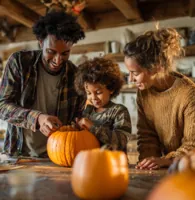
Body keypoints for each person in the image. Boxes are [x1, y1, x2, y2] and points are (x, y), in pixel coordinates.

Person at [0, 11, 85, 157]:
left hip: (58, 156)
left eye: (65, 53)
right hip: (19, 155)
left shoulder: (75, 75)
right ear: (40, 42)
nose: (57, 60)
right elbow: (2, 106)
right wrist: (37, 118)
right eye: (51, 52)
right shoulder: (20, 62)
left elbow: (77, 120)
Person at [123, 28, 195, 170]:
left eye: (135, 73)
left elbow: (193, 145)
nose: (131, 79)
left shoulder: (190, 94)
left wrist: (166, 160)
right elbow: (147, 136)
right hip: (168, 166)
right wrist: (148, 163)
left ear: (156, 67)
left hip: (192, 169)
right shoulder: (144, 92)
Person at [74, 57, 132, 152]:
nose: (93, 98)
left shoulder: (119, 111)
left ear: (111, 89)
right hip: (91, 162)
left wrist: (92, 127)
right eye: (89, 93)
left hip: (113, 164)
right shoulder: (87, 111)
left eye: (98, 92)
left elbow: (121, 141)